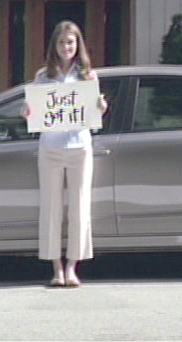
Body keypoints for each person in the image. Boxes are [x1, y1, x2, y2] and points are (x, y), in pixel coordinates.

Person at [21, 20, 107, 288]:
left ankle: (72, 267)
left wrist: (101, 107)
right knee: (51, 208)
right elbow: (35, 112)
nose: (66, 47)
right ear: (54, 46)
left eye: (70, 42)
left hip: (79, 147)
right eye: (61, 42)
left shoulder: (88, 76)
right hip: (51, 148)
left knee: (80, 207)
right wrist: (27, 112)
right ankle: (56, 268)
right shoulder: (43, 76)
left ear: (78, 45)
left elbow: (94, 116)